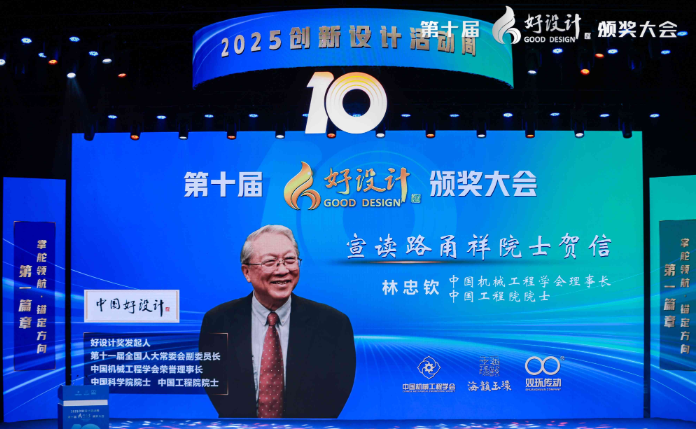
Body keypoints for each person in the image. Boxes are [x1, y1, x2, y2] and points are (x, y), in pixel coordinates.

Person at [199, 224, 356, 418]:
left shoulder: (333, 325)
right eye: (270, 261)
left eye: (290, 260)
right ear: (247, 272)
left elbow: (336, 393)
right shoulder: (218, 321)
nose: (282, 270)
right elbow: (216, 385)